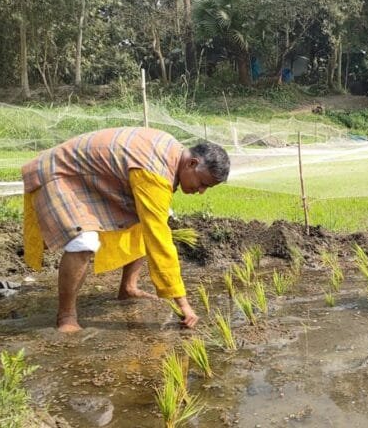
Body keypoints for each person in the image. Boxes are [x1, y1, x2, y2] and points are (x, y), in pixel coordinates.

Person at [21, 127, 230, 332]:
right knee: (84, 241)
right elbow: (159, 240)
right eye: (203, 183)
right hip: (60, 173)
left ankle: (128, 288)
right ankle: (66, 316)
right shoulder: (154, 170)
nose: (201, 191)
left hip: (92, 176)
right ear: (192, 163)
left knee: (147, 219)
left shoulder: (174, 154)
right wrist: (182, 303)